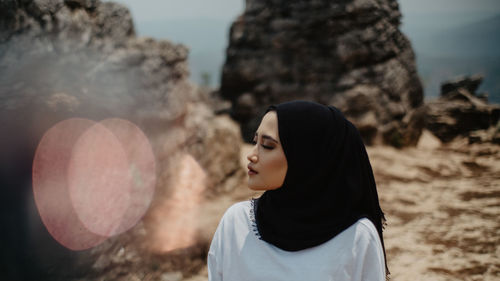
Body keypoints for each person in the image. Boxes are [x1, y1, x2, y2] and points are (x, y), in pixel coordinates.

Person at [208, 100, 388, 281]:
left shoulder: (357, 237)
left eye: (267, 146)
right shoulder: (236, 223)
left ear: (305, 157)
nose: (252, 155)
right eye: (255, 141)